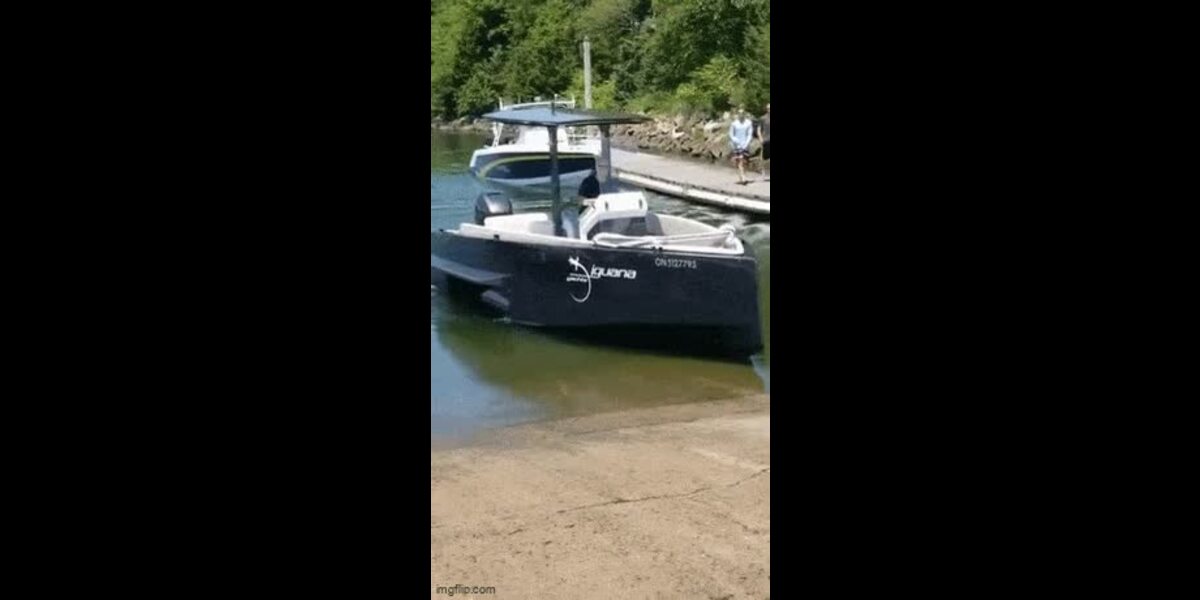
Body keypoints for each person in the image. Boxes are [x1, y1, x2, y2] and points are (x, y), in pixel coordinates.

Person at [728, 107, 754, 184]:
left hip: (745, 145)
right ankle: (742, 177)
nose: (741, 114)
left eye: (742, 113)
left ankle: (743, 176)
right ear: (737, 114)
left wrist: (747, 143)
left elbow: (749, 134)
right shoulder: (734, 123)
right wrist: (735, 140)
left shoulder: (748, 123)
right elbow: (731, 134)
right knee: (739, 161)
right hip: (736, 145)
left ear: (744, 114)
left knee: (744, 161)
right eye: (739, 113)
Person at [757, 103, 770, 179]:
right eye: (768, 108)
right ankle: (763, 172)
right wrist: (760, 138)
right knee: (763, 157)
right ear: (767, 109)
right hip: (765, 139)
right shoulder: (762, 118)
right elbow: (759, 129)